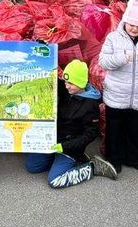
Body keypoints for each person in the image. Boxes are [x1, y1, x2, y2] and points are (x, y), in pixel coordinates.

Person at [22, 59, 118, 187]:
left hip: (70, 146)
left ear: (81, 83)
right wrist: (41, 53)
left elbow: (91, 133)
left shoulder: (90, 105)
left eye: (71, 83)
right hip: (54, 139)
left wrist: (64, 147)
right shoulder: (68, 89)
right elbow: (50, 79)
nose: (66, 86)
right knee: (32, 166)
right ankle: (70, 160)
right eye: (66, 81)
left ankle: (93, 167)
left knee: (55, 180)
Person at [97, 0, 138, 173]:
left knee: (136, 128)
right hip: (116, 93)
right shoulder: (113, 38)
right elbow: (103, 62)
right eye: (131, 24)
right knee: (115, 128)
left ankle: (135, 157)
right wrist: (120, 58)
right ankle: (114, 158)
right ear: (125, 21)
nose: (134, 28)